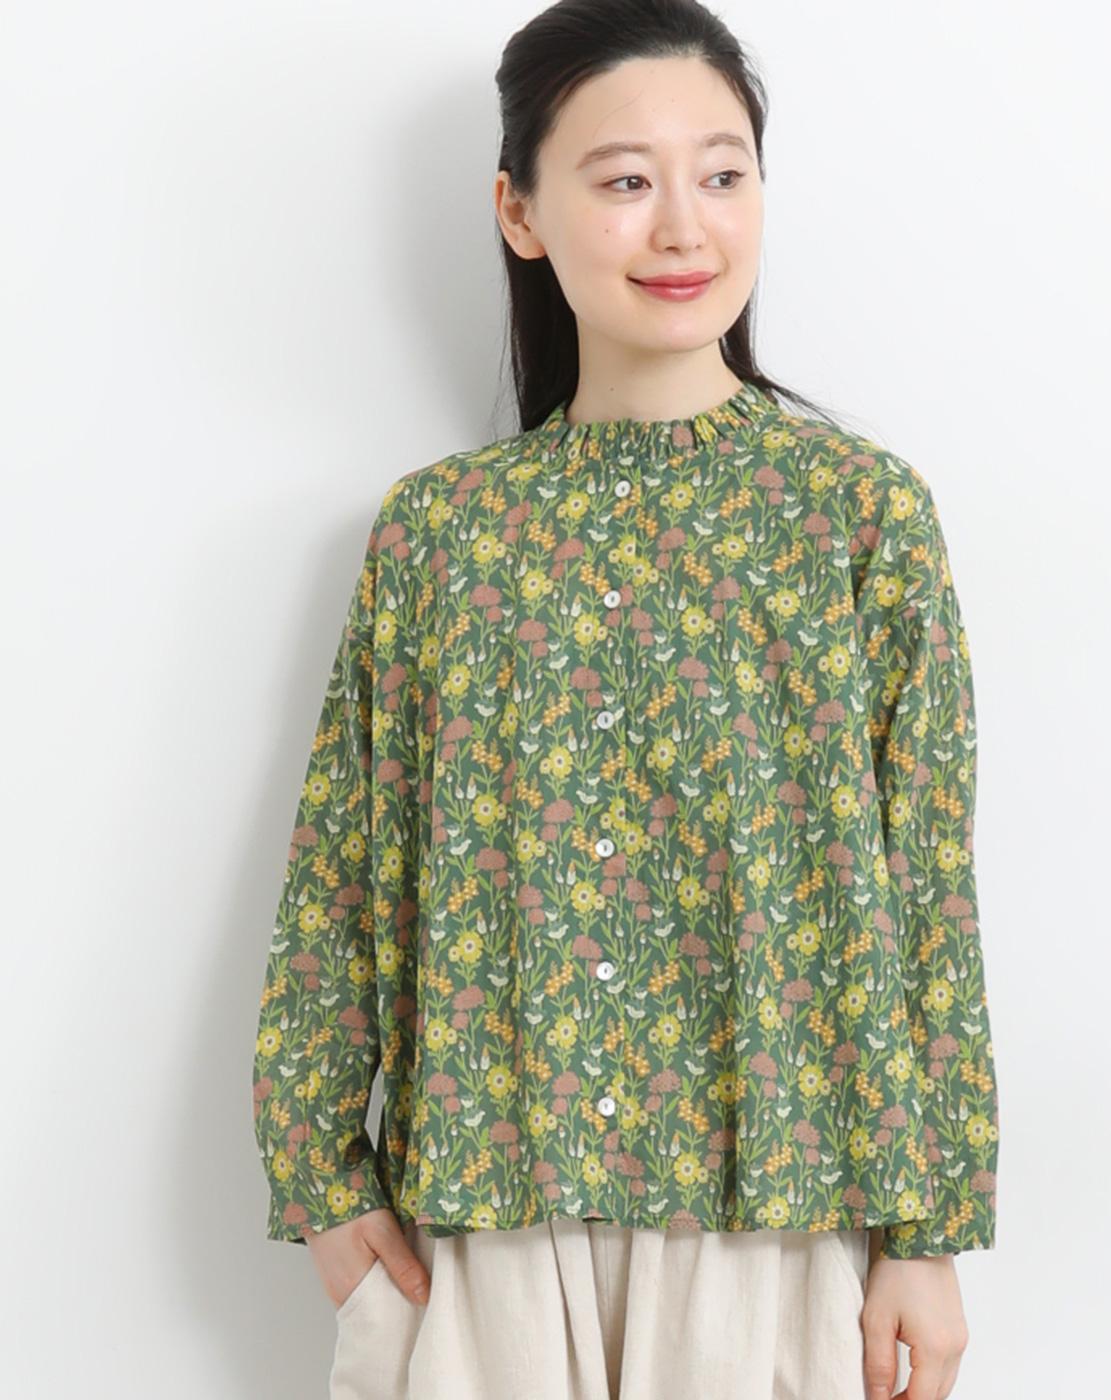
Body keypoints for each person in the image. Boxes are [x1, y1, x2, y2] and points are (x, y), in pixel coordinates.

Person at [250, 2, 1000, 1396]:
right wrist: (321, 1179)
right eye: (626, 180)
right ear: (519, 212)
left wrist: (931, 1233)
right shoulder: (442, 534)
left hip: (781, 1221)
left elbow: (927, 894)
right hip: (484, 1224)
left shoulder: (857, 517)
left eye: (723, 174)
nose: (683, 228)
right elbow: (345, 870)